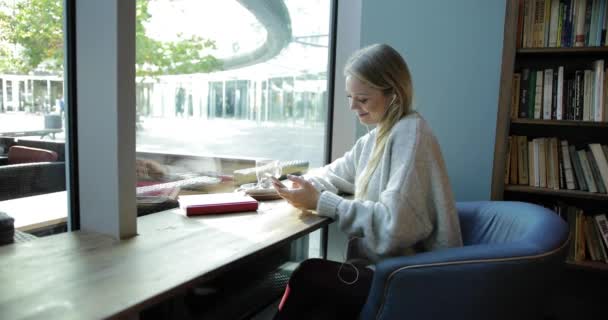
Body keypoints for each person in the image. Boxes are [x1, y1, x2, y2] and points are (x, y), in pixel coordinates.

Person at [271, 43, 463, 319]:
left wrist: (322, 202)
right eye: (350, 97)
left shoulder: (411, 135)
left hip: (408, 279)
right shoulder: (376, 138)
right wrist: (299, 185)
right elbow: (335, 173)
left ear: (394, 95)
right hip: (384, 271)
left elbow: (396, 226)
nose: (352, 106)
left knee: (308, 277)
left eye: (362, 99)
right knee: (313, 285)